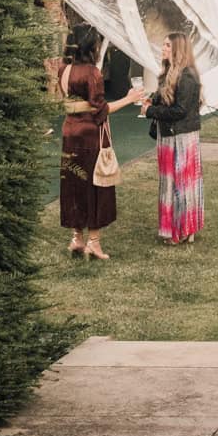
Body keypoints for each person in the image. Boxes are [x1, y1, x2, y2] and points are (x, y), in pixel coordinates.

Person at [59, 26, 144, 261]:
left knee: (73, 184)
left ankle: (76, 237)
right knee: (95, 185)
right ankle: (93, 242)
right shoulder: (92, 73)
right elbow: (101, 110)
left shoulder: (63, 70)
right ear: (91, 47)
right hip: (89, 136)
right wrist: (130, 99)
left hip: (69, 133)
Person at [142, 32, 204, 246]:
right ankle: (180, 228)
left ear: (177, 49)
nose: (163, 48)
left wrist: (151, 112)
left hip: (181, 137)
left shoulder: (187, 76)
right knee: (172, 183)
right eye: (164, 44)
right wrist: (151, 100)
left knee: (181, 184)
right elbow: (166, 101)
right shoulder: (168, 73)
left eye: (167, 45)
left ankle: (182, 230)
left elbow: (179, 111)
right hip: (169, 136)